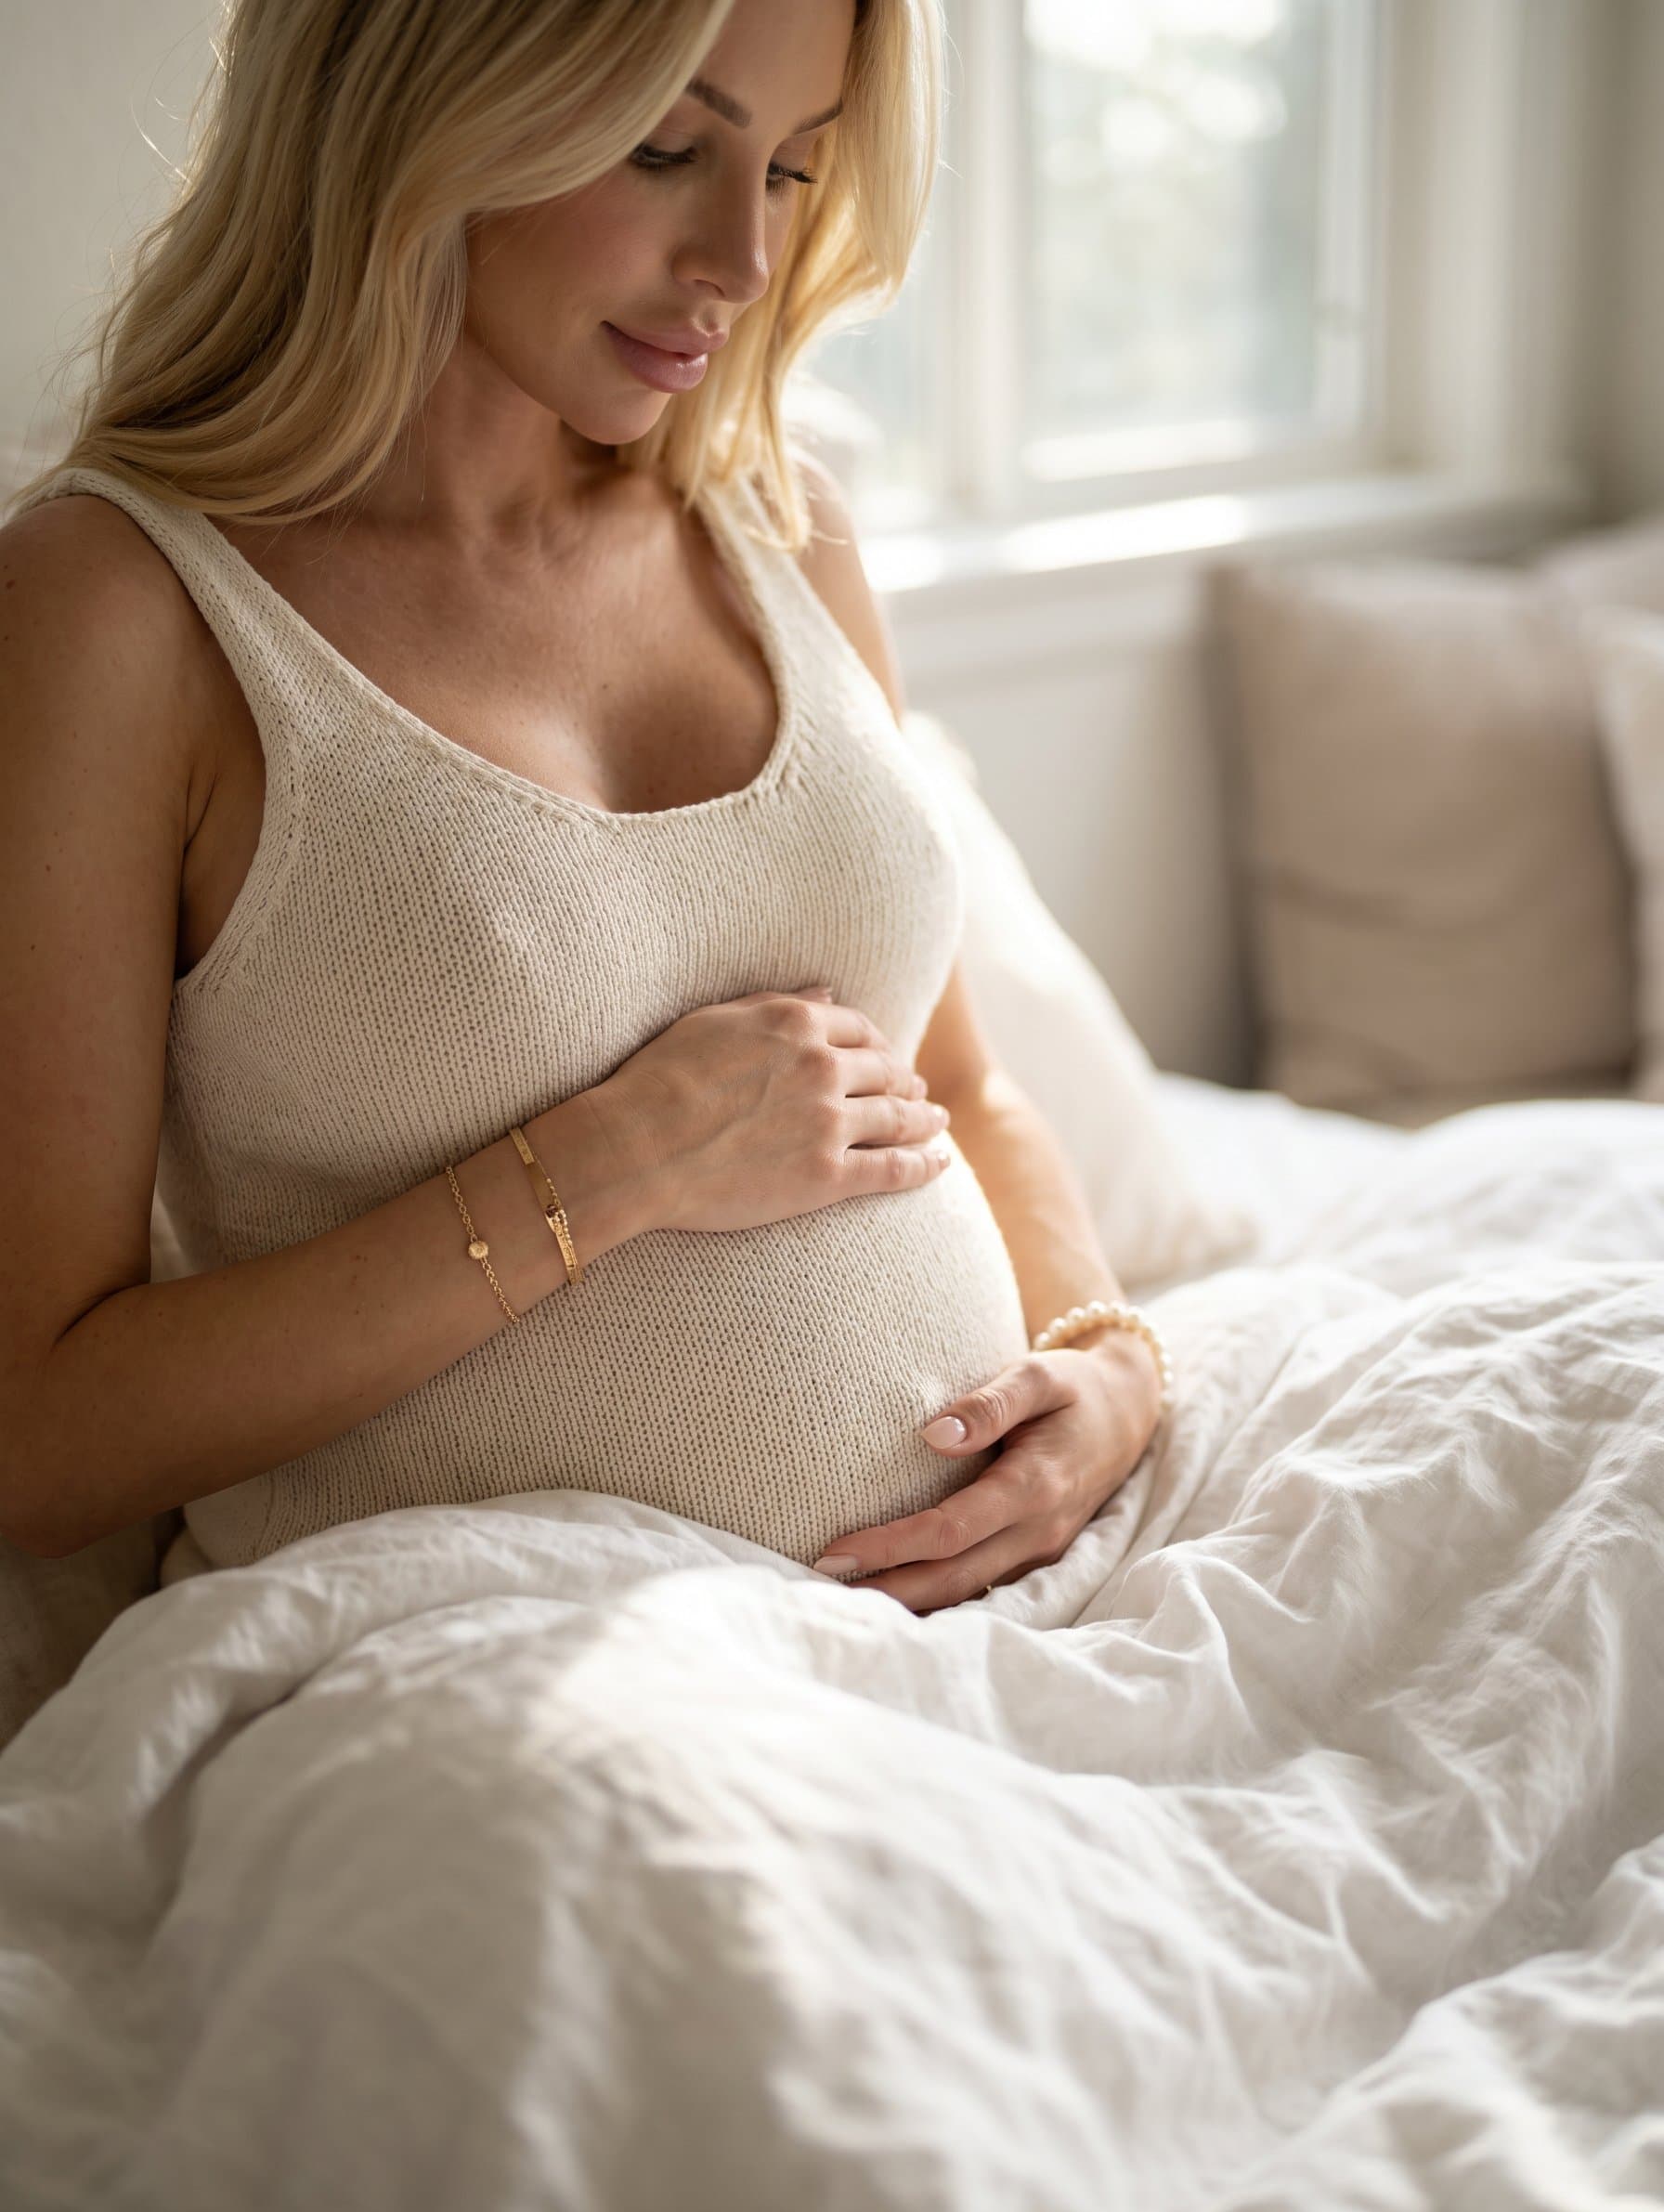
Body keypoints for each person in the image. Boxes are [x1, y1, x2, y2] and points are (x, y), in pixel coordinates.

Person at [0, 0, 1166, 1617]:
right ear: (413, 98)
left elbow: (959, 1081)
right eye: (665, 147)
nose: (745, 262)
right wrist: (607, 1169)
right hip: (498, 1664)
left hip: (1031, 1610)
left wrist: (1108, 1364)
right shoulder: (119, 612)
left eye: (792, 170)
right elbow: (35, 1436)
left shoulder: (783, 517)